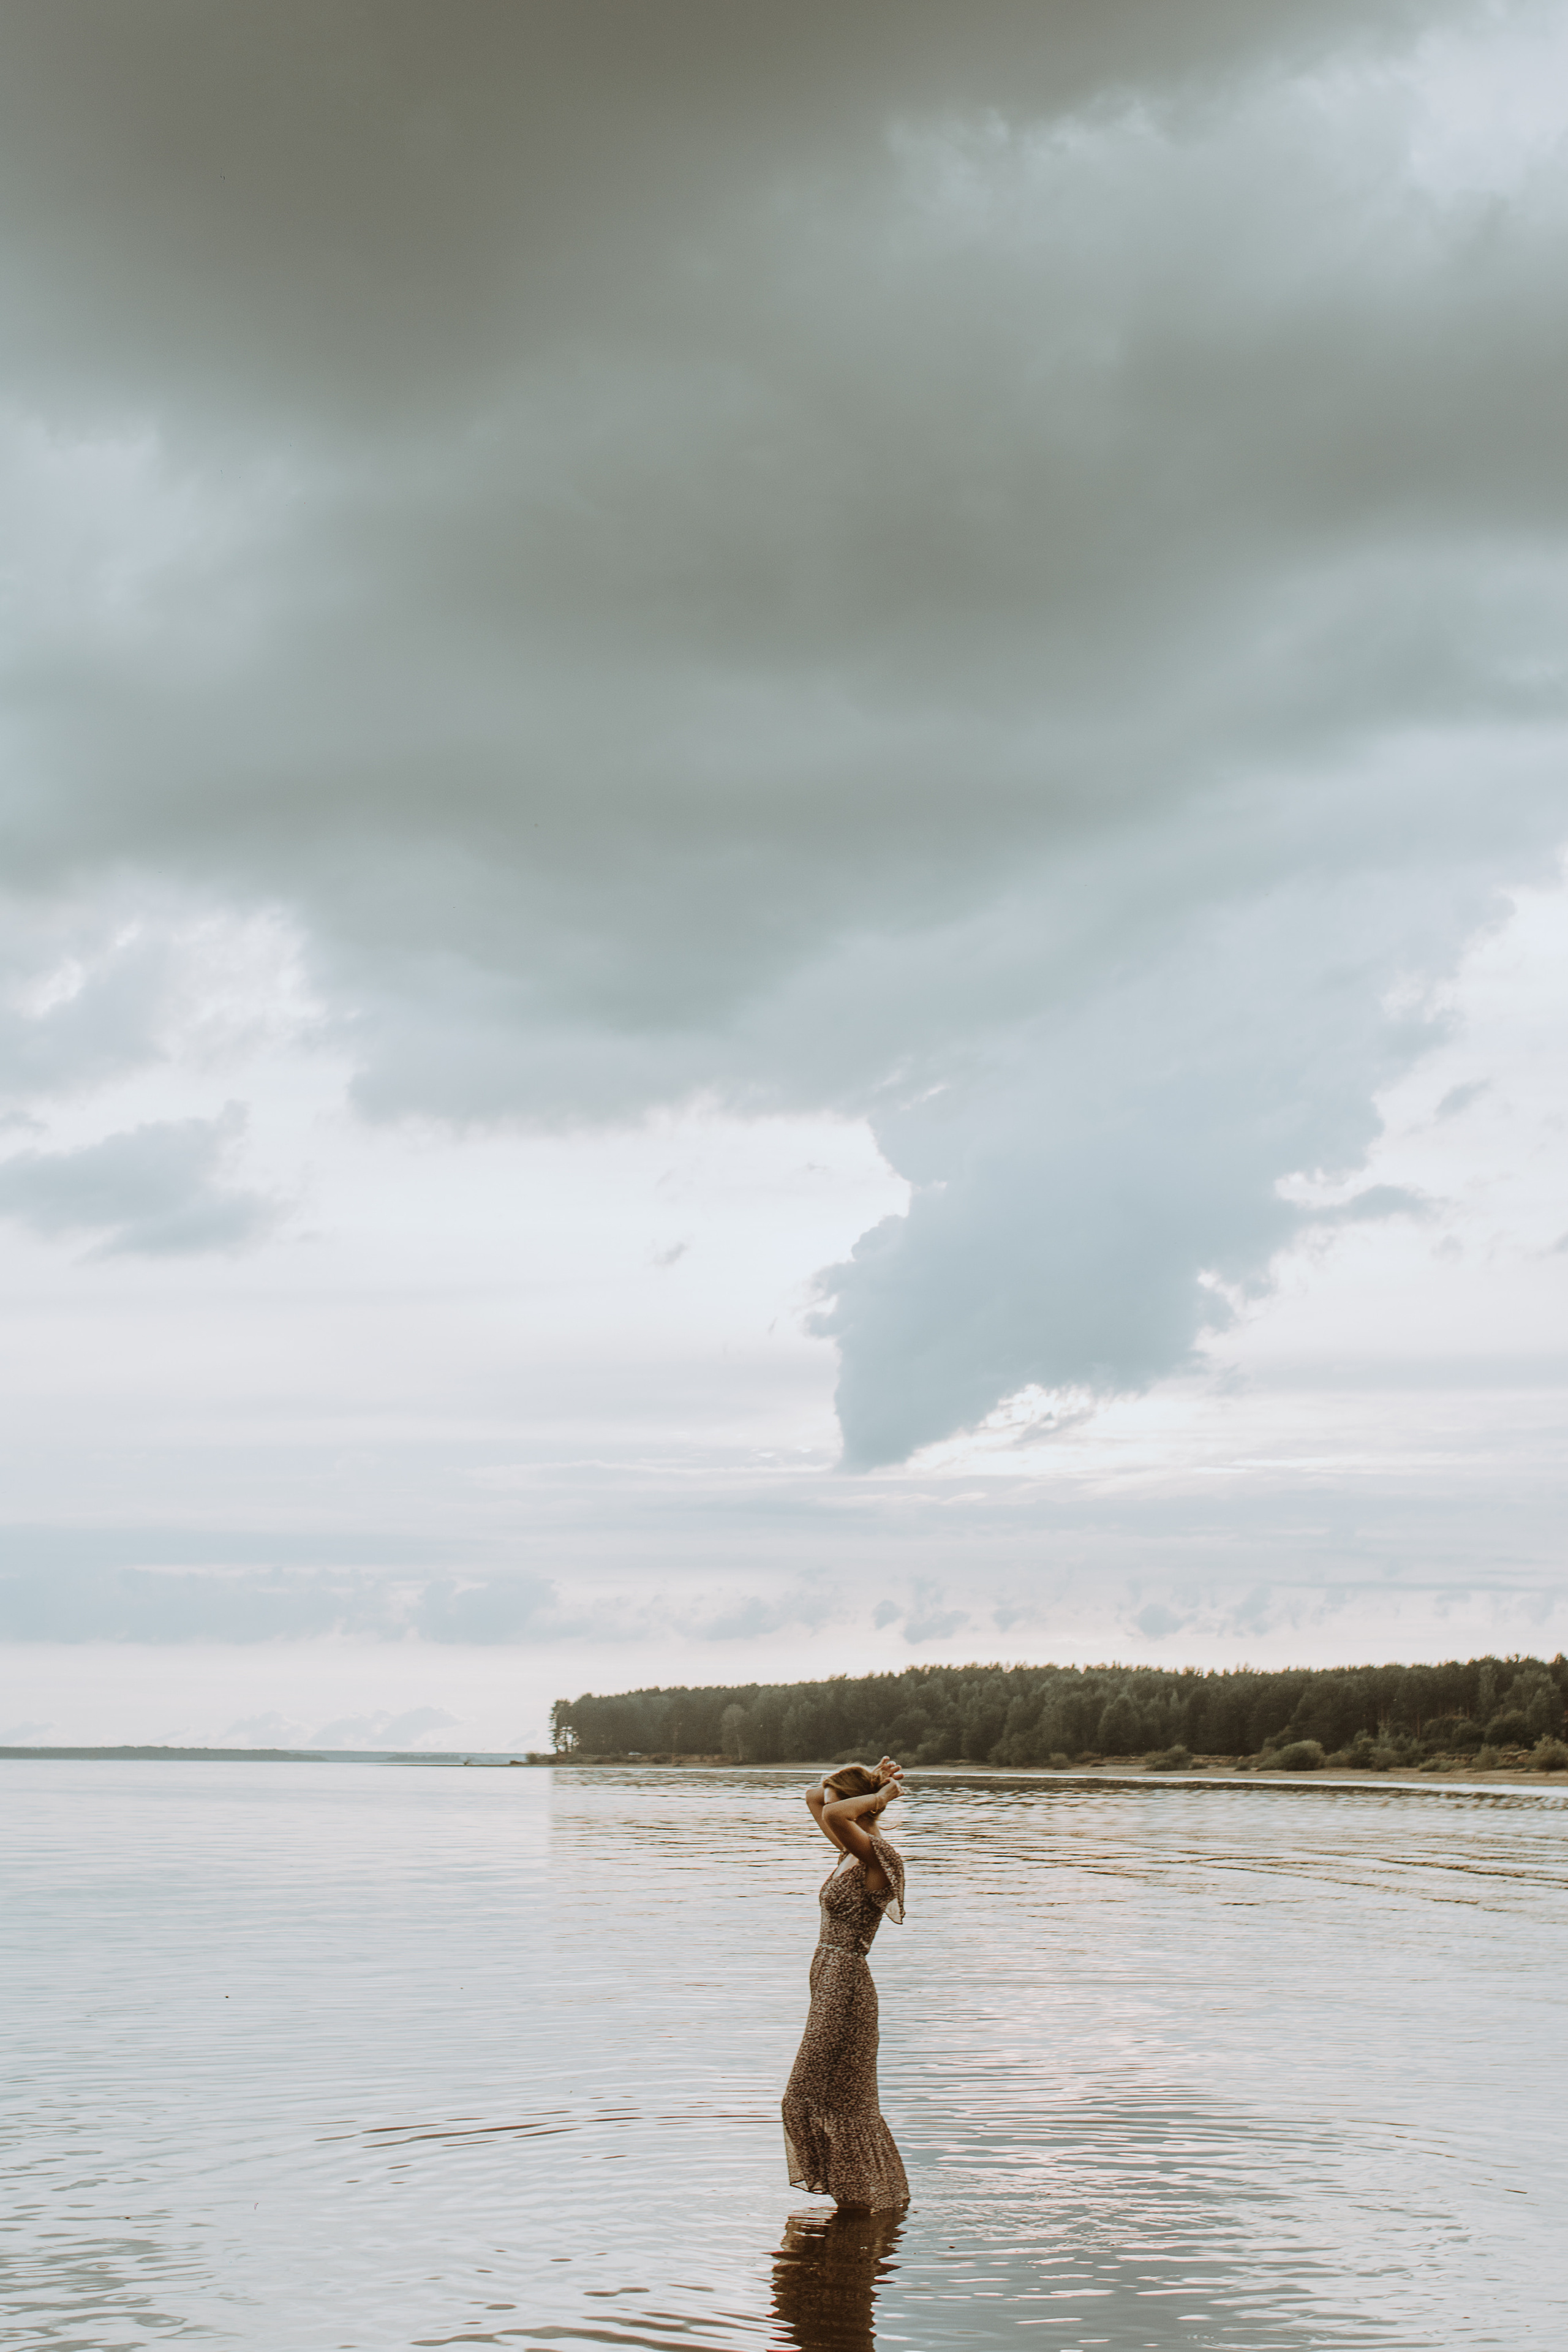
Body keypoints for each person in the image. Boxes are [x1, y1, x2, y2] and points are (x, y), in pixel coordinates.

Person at [780, 1756, 910, 2211]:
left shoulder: (878, 1856)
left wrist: (881, 1794)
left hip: (846, 1985)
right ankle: (860, 2207)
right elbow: (816, 1797)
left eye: (844, 1803)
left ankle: (866, 2198)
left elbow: (833, 1811)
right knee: (836, 2096)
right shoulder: (850, 1851)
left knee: (804, 2095)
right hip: (828, 1977)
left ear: (861, 1809)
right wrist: (871, 1778)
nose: (830, 1812)